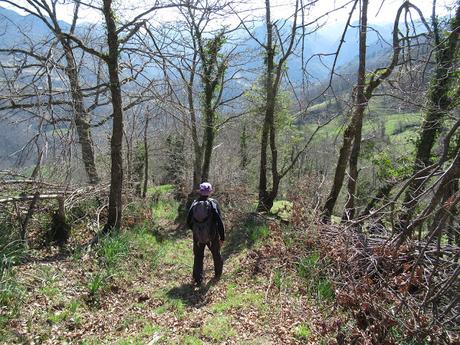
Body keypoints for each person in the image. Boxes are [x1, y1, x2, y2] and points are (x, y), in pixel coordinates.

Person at [186, 182, 225, 286]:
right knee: (216, 254)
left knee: (198, 256)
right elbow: (219, 221)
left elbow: (188, 221)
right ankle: (217, 275)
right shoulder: (213, 203)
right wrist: (222, 236)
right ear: (210, 191)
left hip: (198, 236)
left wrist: (196, 231)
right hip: (212, 236)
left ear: (200, 191)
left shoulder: (194, 203)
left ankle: (198, 279)